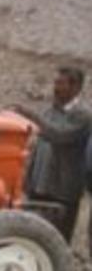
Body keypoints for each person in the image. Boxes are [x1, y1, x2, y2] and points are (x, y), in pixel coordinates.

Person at [10, 67, 90, 242]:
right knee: (32, 239)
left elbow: (58, 135)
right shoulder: (50, 111)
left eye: (60, 83)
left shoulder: (83, 116)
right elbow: (39, 145)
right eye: (55, 83)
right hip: (39, 187)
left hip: (62, 193)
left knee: (56, 241)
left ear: (75, 87)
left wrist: (30, 115)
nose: (55, 87)